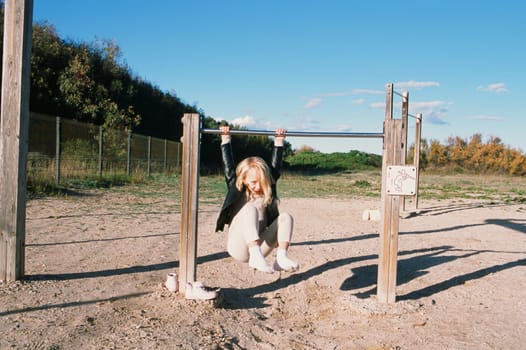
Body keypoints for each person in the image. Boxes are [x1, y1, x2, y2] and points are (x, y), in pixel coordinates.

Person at [215, 126, 299, 273]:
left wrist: (279, 141)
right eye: (253, 182)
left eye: (261, 181)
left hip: (261, 248)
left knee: (286, 217)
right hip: (239, 247)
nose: (258, 186)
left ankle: (281, 257)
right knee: (250, 209)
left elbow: (275, 166)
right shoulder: (236, 187)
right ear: (244, 179)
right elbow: (228, 165)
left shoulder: (268, 187)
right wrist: (225, 138)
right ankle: (254, 255)